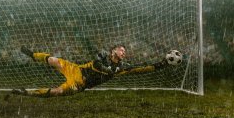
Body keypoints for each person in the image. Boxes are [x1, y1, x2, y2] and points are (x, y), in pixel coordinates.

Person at [11, 44, 169, 97]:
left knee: (57, 92)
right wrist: (109, 70)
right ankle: (33, 55)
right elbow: (98, 64)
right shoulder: (102, 55)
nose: (124, 52)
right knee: (53, 60)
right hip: (76, 69)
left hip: (80, 84)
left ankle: (27, 92)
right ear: (113, 50)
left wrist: (162, 64)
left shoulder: (121, 68)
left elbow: (141, 69)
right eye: (121, 50)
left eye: (125, 51)